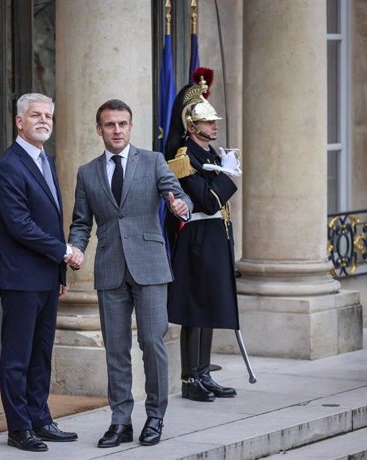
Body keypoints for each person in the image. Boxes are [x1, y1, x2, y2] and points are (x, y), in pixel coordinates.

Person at [68, 99, 192, 448]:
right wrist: (75, 247)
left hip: (150, 266)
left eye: (123, 124)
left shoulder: (152, 161)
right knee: (116, 349)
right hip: (109, 267)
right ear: (99, 129)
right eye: (110, 125)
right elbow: (81, 223)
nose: (117, 130)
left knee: (152, 344)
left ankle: (155, 417)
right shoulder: (87, 172)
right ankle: (120, 420)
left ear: (130, 126)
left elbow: (179, 196)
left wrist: (180, 205)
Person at [0, 93, 79, 452]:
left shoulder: (46, 161)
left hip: (45, 277)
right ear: (19, 121)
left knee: (41, 353)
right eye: (35, 115)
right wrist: (65, 252)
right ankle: (18, 427)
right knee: (17, 357)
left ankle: (40, 418)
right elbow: (20, 225)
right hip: (19, 278)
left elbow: (51, 221)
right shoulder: (8, 167)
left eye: (48, 116)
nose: (43, 120)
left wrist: (59, 274)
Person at [164, 68, 241, 403]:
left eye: (214, 122)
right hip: (196, 239)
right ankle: (189, 378)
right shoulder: (184, 158)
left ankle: (204, 373)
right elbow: (208, 202)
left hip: (214, 239)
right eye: (208, 123)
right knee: (194, 310)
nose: (214, 126)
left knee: (209, 306)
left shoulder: (209, 155)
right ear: (191, 126)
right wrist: (228, 175)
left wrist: (222, 168)